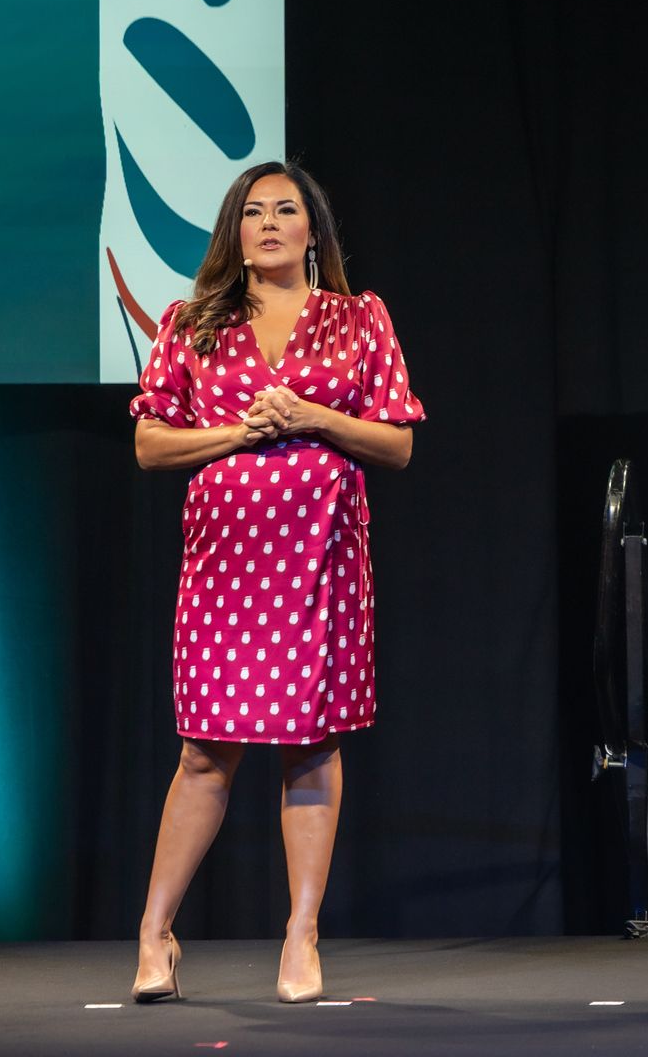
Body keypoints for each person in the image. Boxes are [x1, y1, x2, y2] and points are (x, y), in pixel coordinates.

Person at [127, 162, 424, 1004]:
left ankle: (301, 937)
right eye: (252, 212)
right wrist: (233, 432)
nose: (268, 223)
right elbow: (150, 446)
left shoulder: (357, 319)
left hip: (320, 557)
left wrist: (313, 419)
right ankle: (155, 934)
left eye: (285, 210)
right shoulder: (193, 323)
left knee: (311, 745)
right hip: (224, 567)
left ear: (311, 230)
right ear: (234, 232)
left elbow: (398, 445)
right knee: (204, 751)